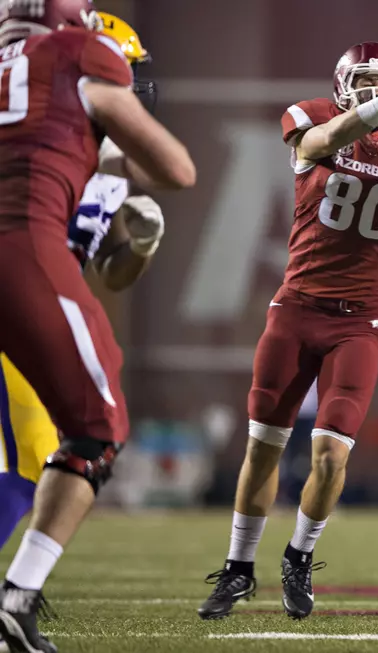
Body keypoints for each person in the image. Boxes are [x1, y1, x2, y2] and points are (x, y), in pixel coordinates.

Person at [197, 41, 378, 622]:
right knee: (264, 447)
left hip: (358, 321)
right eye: (366, 82)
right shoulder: (313, 114)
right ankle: (240, 568)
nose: (376, 92)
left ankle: (298, 557)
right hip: (295, 309)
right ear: (344, 86)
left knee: (329, 456)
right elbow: (320, 145)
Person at [0, 1, 196, 650]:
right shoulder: (73, 76)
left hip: (37, 299)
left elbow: (106, 273)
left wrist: (134, 245)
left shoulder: (101, 167)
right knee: (64, 444)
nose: (132, 86)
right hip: (24, 288)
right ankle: (16, 599)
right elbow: (176, 169)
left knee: (31, 459)